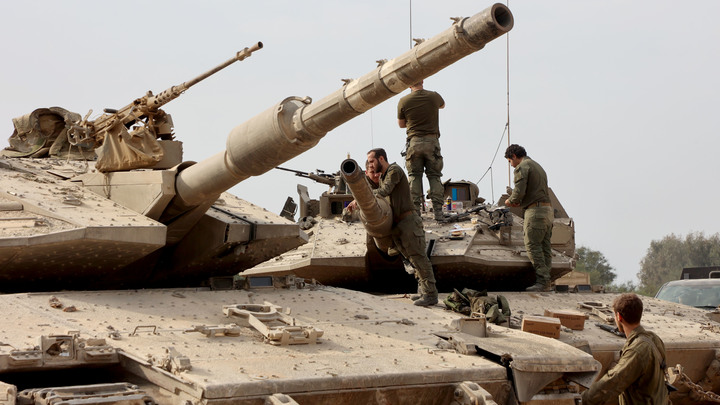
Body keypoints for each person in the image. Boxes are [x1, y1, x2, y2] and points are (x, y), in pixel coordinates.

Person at [367, 147, 438, 306]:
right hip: (398, 224)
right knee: (412, 260)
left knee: (419, 258)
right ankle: (424, 291)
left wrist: (363, 196)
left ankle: (431, 294)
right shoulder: (384, 176)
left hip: (408, 222)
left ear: (381, 159)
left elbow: (384, 191)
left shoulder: (394, 171)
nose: (370, 165)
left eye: (372, 161)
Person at [581, 293, 669, 405]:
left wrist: (581, 400)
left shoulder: (637, 350)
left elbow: (612, 382)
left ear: (619, 317)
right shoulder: (654, 338)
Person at [503, 144, 554, 292]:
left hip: (535, 211)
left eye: (510, 161)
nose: (511, 165)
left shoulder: (522, 167)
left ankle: (542, 281)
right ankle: (547, 281)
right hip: (547, 210)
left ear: (513, 156)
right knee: (545, 247)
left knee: (532, 245)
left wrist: (510, 200)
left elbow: (519, 192)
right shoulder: (537, 166)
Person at [397, 80, 445, 220]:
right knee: (434, 176)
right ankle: (438, 212)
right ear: (422, 80)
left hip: (414, 143)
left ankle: (415, 213)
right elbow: (442, 105)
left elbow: (401, 124)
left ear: (409, 85)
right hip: (432, 142)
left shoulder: (403, 101)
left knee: (414, 176)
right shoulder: (434, 96)